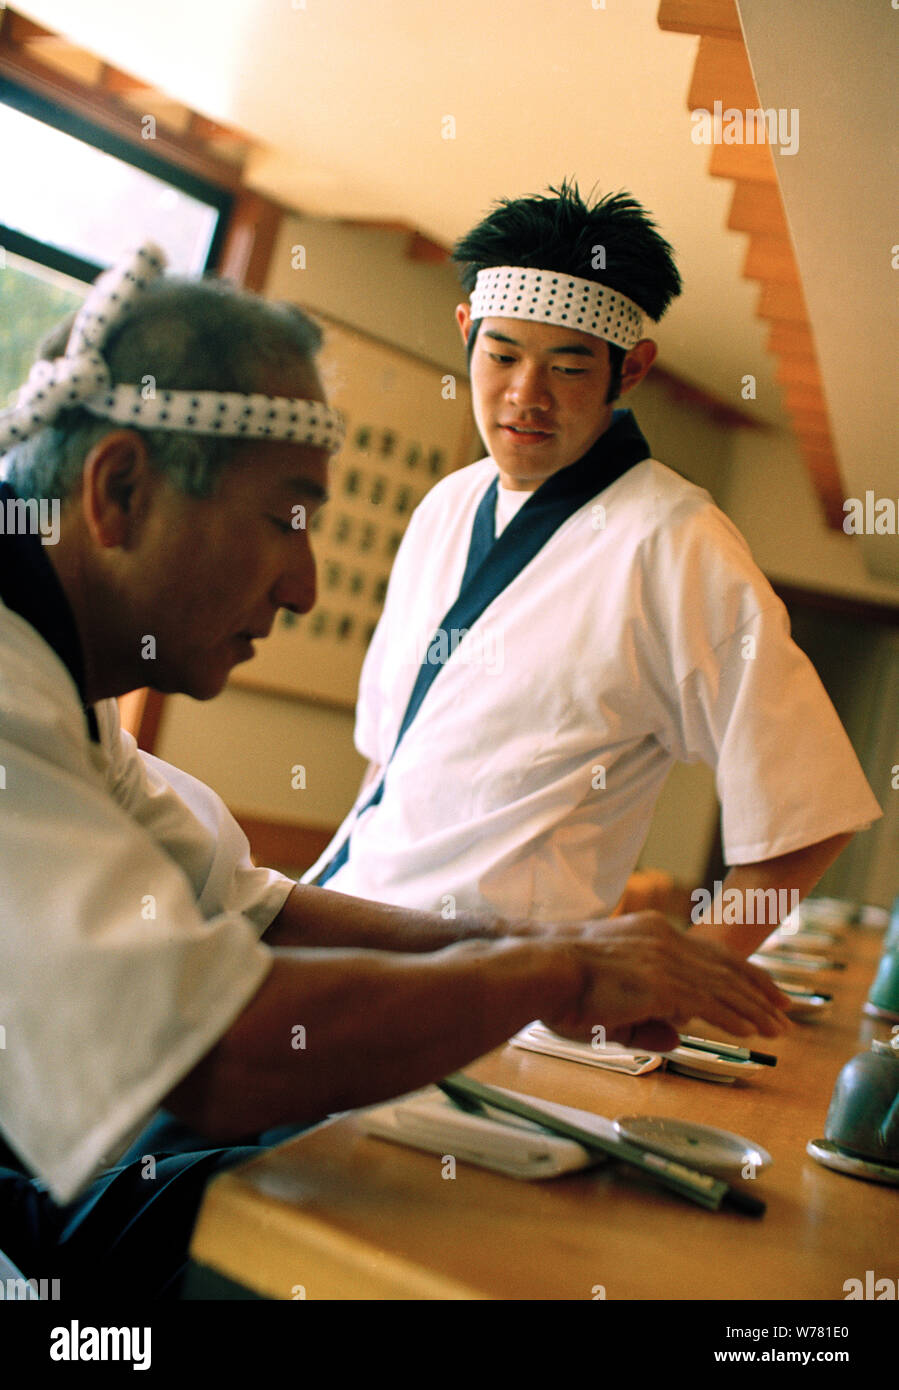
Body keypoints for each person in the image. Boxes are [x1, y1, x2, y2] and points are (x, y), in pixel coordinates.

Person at [0, 244, 789, 1296]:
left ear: (626, 374)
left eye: (568, 367)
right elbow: (216, 1051)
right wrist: (556, 971)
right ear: (121, 489)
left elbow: (251, 906)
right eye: (286, 517)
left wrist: (542, 946)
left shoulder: (61, 685)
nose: (308, 586)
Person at [304, 182, 881, 958]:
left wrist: (690, 982)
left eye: (567, 369)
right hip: (345, 924)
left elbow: (808, 812)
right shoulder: (446, 506)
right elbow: (391, 760)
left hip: (493, 986)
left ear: (630, 370)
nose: (524, 396)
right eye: (501, 355)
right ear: (465, 332)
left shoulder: (675, 541)